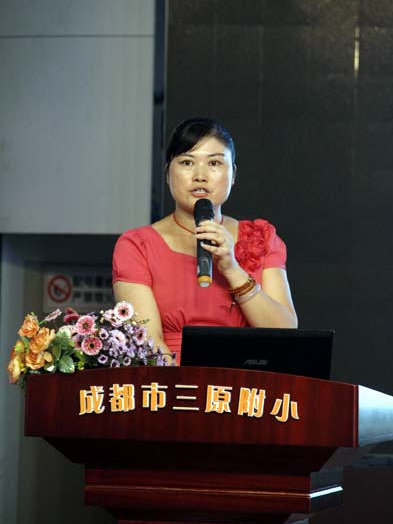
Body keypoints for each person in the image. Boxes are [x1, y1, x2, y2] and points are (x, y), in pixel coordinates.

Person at [112, 117, 297, 364]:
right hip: (172, 380)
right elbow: (147, 342)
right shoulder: (137, 246)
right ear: (167, 173)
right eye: (187, 162)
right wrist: (190, 385)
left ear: (233, 175)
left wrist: (232, 269)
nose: (200, 176)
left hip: (247, 382)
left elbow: (286, 334)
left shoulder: (261, 238)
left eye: (214, 163)